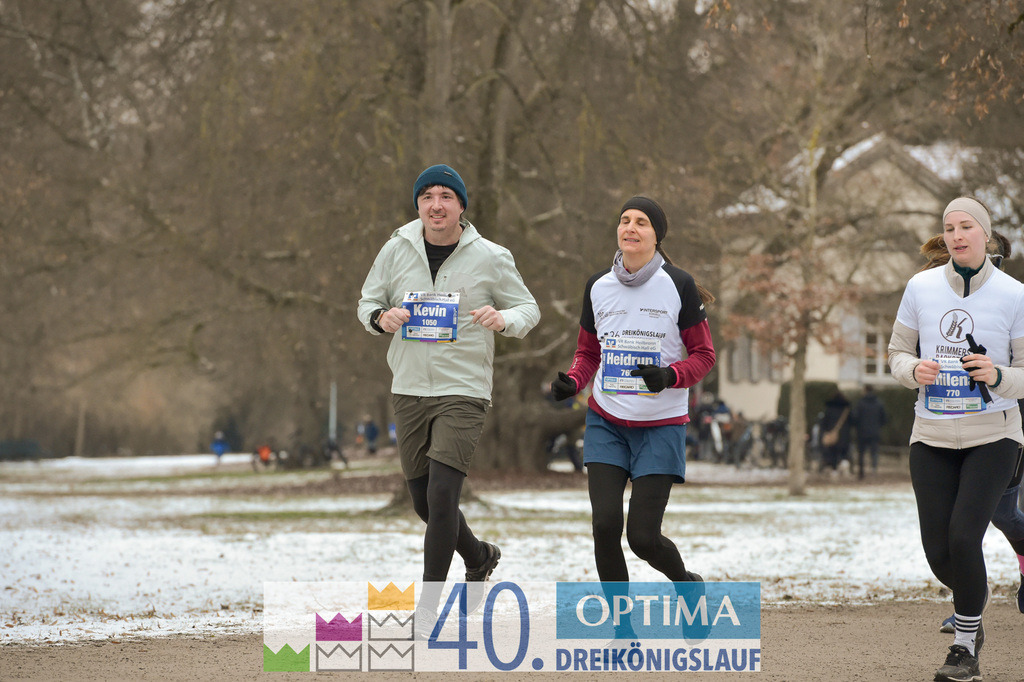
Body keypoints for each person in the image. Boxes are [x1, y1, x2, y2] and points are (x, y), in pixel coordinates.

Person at [357, 164, 540, 624]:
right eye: (427, 197)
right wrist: (382, 318)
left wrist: (505, 320)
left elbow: (528, 308)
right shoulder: (396, 248)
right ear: (418, 204)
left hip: (464, 389)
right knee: (422, 501)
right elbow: (366, 302)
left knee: (442, 498)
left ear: (461, 205)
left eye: (445, 196)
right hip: (409, 386)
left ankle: (428, 609)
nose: (435, 205)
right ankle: (478, 556)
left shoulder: (491, 256)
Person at [549, 196, 716, 598]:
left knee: (643, 538)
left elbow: (704, 356)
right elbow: (589, 354)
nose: (631, 228)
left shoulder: (678, 284)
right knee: (605, 525)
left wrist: (670, 376)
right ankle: (622, 630)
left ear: (656, 236)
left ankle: (687, 587)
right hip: (606, 421)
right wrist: (574, 381)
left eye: (642, 222)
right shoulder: (598, 286)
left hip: (661, 426)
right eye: (625, 220)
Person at [888, 196, 1024, 682]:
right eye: (949, 227)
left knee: (965, 536)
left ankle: (965, 647)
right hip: (931, 436)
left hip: (995, 436)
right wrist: (913, 370)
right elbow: (897, 352)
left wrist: (997, 373)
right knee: (939, 549)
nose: (957, 234)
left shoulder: (1014, 294)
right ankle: (974, 602)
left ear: (985, 235)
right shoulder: (920, 287)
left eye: (966, 226)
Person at [851, 385, 887, 478]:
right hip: (875, 431)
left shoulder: (860, 403)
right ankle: (874, 470)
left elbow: (855, 418)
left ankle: (861, 472)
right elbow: (884, 418)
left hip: (862, 432)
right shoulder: (879, 403)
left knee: (861, 453)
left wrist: (856, 426)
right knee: (874, 452)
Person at [818, 389, 852, 474]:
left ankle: (834, 469)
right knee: (844, 453)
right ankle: (844, 468)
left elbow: (823, 423)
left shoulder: (829, 409)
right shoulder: (846, 409)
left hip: (832, 435)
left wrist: (825, 432)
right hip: (844, 436)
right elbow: (852, 421)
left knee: (833, 453)